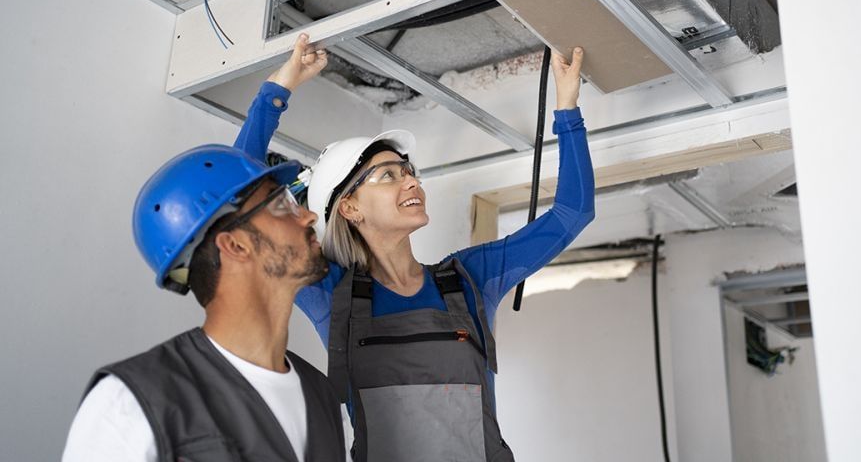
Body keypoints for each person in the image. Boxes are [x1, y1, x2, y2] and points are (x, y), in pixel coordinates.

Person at [236, 34, 594, 461]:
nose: (411, 181)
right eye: (389, 175)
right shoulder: (331, 293)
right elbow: (239, 206)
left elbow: (573, 213)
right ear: (349, 208)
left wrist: (568, 109)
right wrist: (277, 91)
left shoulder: (469, 280)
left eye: (409, 171)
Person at [61, 137, 345, 461]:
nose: (308, 217)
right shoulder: (131, 403)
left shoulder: (320, 395)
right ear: (235, 246)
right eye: (281, 205)